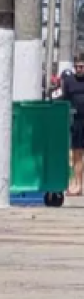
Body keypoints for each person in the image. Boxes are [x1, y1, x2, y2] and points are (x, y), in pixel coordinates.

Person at [59, 56, 84, 195]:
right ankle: (77, 185)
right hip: (76, 121)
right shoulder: (69, 82)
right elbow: (65, 99)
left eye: (82, 66)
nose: (80, 69)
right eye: (78, 66)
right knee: (76, 154)